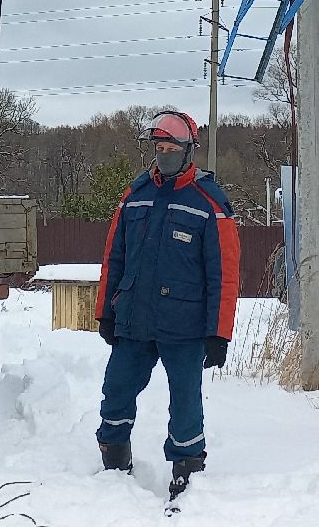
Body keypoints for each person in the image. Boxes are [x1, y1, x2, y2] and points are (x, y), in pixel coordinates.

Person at [93, 110, 239, 496]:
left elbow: (224, 275)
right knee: (117, 389)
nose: (164, 153)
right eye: (158, 147)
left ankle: (187, 466)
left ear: (189, 149)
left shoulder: (210, 202)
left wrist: (218, 333)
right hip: (135, 320)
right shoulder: (135, 195)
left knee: (185, 399)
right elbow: (115, 258)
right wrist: (104, 311)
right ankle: (113, 456)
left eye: (171, 146)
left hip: (186, 325)